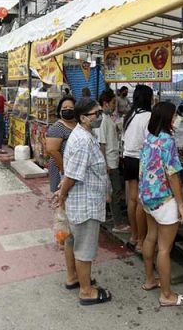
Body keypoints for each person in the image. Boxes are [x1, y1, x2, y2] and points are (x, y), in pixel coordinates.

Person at [54, 97, 113, 306]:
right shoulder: (82, 141)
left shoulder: (85, 135)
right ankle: (86, 291)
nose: (100, 117)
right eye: (97, 113)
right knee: (84, 249)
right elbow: (72, 175)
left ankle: (74, 278)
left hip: (80, 199)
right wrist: (62, 195)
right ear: (83, 118)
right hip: (85, 202)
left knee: (73, 241)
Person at [139, 102, 183, 307]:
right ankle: (167, 295)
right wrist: (181, 204)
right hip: (164, 200)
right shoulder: (167, 141)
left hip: (148, 197)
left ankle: (150, 280)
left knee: (150, 237)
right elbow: (173, 175)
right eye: (174, 115)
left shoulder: (149, 138)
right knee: (164, 249)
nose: (176, 118)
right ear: (168, 118)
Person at [122, 84, 153, 253]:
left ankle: (133, 236)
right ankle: (141, 241)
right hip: (141, 160)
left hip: (128, 159)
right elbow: (151, 141)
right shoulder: (148, 116)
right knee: (141, 201)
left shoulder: (130, 115)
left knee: (133, 199)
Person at [97, 89, 128, 233]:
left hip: (113, 160)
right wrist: (105, 164)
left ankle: (113, 218)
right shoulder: (104, 120)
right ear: (105, 103)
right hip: (110, 162)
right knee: (115, 191)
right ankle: (118, 224)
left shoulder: (107, 118)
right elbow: (102, 144)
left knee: (113, 191)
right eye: (113, 102)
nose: (115, 105)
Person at [45, 96, 76, 193]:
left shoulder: (76, 124)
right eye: (65, 108)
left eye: (71, 108)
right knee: (61, 194)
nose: (68, 110)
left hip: (72, 168)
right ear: (59, 111)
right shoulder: (57, 127)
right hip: (60, 167)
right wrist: (63, 169)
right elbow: (52, 150)